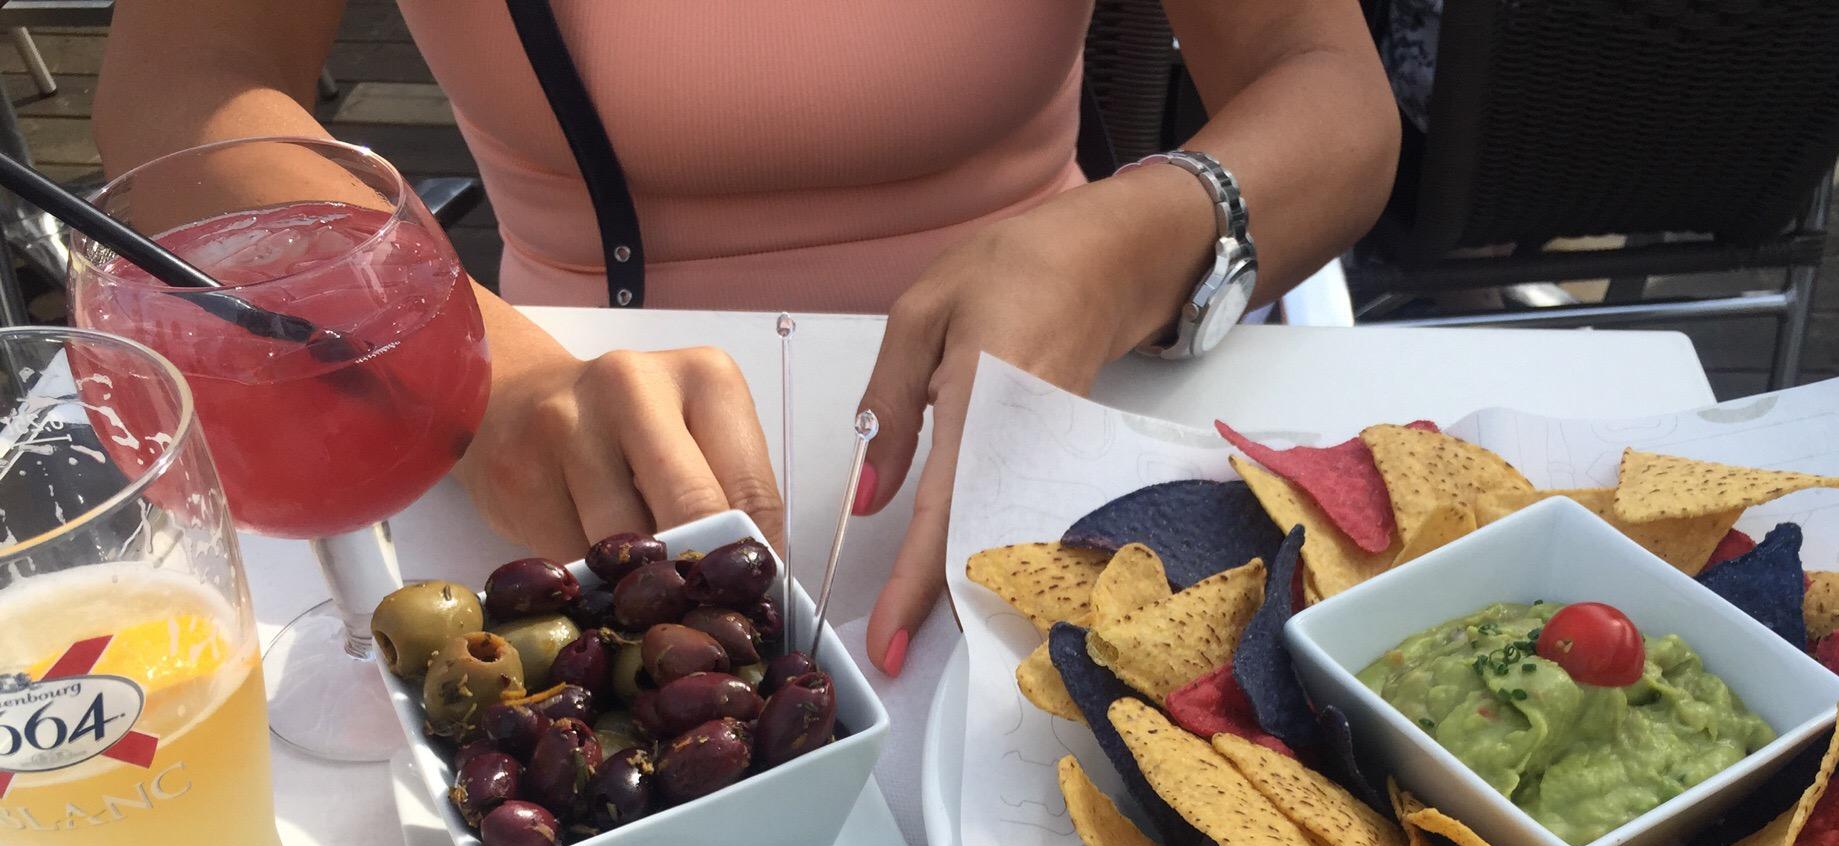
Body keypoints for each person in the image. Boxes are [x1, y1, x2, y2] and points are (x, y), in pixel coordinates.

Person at [94, 2, 1399, 675]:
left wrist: (1134, 243)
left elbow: (1328, 88)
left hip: (1054, 435)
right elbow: (179, 81)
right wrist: (483, 374)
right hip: (547, 456)